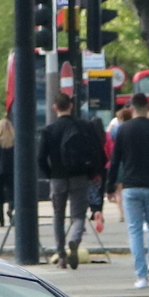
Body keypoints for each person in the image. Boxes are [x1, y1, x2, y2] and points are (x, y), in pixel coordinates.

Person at [37, 93, 105, 270]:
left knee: (58, 216)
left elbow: (40, 158)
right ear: (71, 106)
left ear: (54, 108)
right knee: (78, 215)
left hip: (58, 178)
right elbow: (97, 150)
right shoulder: (83, 126)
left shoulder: (49, 131)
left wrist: (50, 173)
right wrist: (92, 172)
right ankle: (74, 239)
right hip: (80, 176)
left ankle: (61, 255)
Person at [111, 95, 149, 288]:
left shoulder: (123, 129)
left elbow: (115, 161)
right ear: (147, 107)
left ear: (131, 108)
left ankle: (141, 276)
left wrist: (110, 186)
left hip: (130, 186)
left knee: (135, 230)